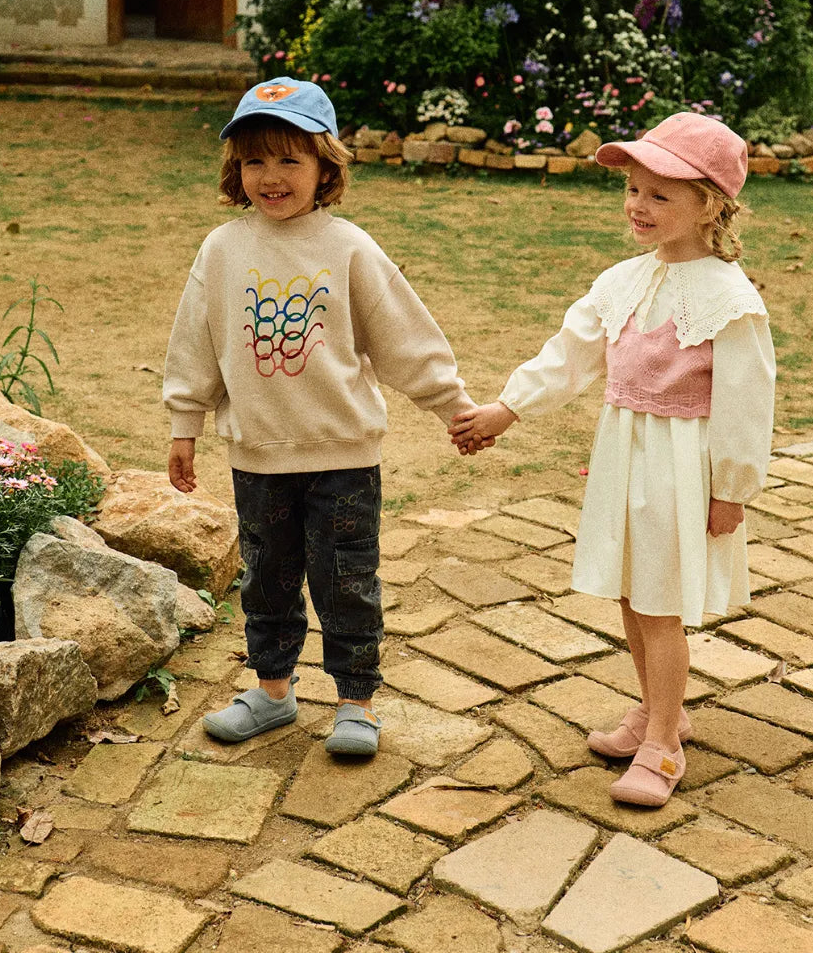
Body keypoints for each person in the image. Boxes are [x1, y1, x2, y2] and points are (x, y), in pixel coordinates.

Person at [450, 112, 775, 806]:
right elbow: (569, 356)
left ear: (709, 204)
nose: (638, 206)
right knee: (633, 591)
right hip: (625, 457)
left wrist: (733, 488)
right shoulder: (622, 282)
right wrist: (505, 410)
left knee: (660, 605)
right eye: (633, 189)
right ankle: (662, 709)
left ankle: (662, 744)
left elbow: (748, 403)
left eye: (660, 195)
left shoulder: (731, 300)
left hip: (681, 469)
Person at [164, 77, 484, 757]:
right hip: (258, 458)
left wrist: (453, 406)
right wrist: (183, 423)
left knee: (346, 584)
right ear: (235, 170)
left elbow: (403, 337)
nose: (271, 177)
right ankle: (273, 693)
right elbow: (195, 342)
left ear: (325, 166)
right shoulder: (222, 250)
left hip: (342, 459)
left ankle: (356, 703)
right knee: (267, 582)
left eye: (289, 160)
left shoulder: (348, 249)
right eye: (255, 161)